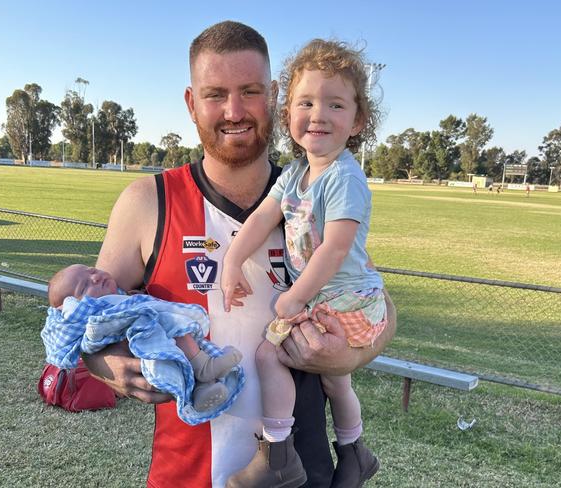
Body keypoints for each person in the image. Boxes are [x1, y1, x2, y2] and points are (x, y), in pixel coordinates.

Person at [81, 21, 396, 488]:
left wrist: (350, 355)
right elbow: (93, 315)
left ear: (272, 96)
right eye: (215, 94)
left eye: (249, 91)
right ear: (191, 103)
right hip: (185, 473)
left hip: (302, 474)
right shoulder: (148, 202)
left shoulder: (314, 196)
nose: (233, 111)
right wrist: (106, 365)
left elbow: (379, 306)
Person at [221, 39, 385, 488]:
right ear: (287, 111)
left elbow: (333, 249)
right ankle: (354, 454)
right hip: (325, 296)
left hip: (343, 298)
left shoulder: (344, 177)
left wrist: (294, 295)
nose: (318, 115)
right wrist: (233, 258)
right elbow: (262, 218)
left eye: (335, 104)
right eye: (306, 102)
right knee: (336, 384)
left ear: (357, 120)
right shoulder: (295, 173)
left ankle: (278, 458)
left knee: (269, 355)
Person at [42, 264, 244, 420]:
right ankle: (204, 367)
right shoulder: (94, 312)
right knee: (176, 329)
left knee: (178, 335)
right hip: (146, 346)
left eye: (92, 270)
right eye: (84, 286)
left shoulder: (119, 295)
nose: (95, 277)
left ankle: (202, 389)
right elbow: (87, 331)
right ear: (73, 305)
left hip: (157, 338)